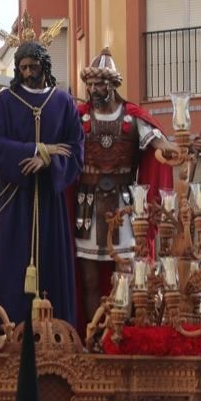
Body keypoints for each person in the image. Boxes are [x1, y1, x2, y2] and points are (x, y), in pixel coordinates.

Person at [71, 47, 180, 328]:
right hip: (87, 205)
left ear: (112, 85)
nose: (93, 89)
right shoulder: (77, 118)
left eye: (99, 84)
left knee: (126, 273)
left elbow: (159, 143)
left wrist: (178, 147)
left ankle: (121, 332)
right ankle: (93, 335)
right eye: (90, 84)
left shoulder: (132, 119)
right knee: (90, 278)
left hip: (124, 204)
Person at [0, 36, 84, 332]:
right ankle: (9, 329)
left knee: (52, 268)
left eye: (33, 66)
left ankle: (57, 332)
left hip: (51, 202)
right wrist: (39, 150)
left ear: (44, 65)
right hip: (16, 200)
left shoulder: (63, 101)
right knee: (12, 267)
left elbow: (75, 149)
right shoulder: (4, 101)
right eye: (23, 67)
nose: (28, 72)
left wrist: (49, 161)